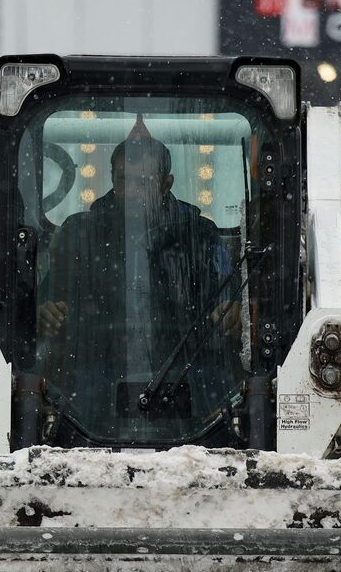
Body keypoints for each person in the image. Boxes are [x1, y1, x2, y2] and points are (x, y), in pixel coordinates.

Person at [37, 116, 244, 439]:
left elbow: (229, 296)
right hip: (95, 369)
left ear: (167, 183)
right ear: (112, 179)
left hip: (188, 368)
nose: (132, 191)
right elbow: (49, 299)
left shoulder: (201, 237)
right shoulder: (78, 236)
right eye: (124, 180)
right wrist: (46, 312)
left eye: (144, 181)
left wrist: (231, 312)